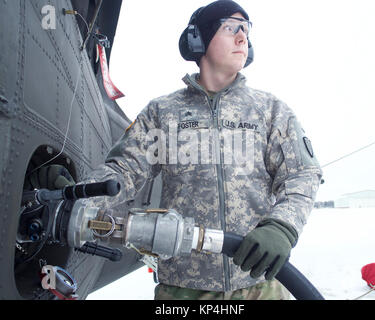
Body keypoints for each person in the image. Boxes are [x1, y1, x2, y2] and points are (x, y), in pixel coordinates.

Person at [33, 0, 322, 300]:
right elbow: (123, 172)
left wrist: (281, 227)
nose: (242, 38)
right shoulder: (164, 112)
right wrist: (80, 196)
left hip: (260, 286)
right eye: (231, 28)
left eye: (246, 31)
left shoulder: (270, 111)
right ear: (199, 39)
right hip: (183, 291)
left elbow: (301, 175)